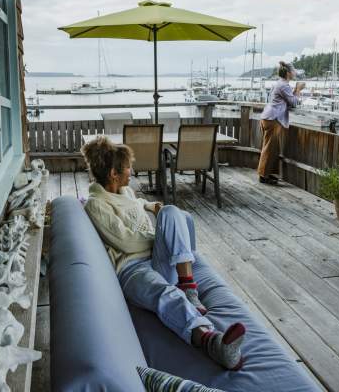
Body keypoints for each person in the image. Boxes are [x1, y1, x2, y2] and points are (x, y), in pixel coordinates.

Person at [81, 137, 246, 370]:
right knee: (165, 294)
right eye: (127, 167)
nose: (132, 171)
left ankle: (189, 288)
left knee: (170, 210)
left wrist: (152, 207)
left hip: (156, 260)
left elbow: (136, 203)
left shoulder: (125, 191)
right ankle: (213, 342)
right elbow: (127, 243)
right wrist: (159, 237)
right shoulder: (96, 204)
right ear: (113, 173)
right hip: (131, 268)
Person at [257, 61, 305, 184]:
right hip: (273, 119)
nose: (295, 73)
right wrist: (298, 89)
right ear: (288, 73)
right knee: (269, 148)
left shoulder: (279, 83)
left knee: (272, 148)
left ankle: (268, 174)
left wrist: (294, 90)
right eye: (294, 71)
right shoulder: (284, 85)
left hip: (268, 117)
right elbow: (293, 102)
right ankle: (263, 176)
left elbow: (288, 99)